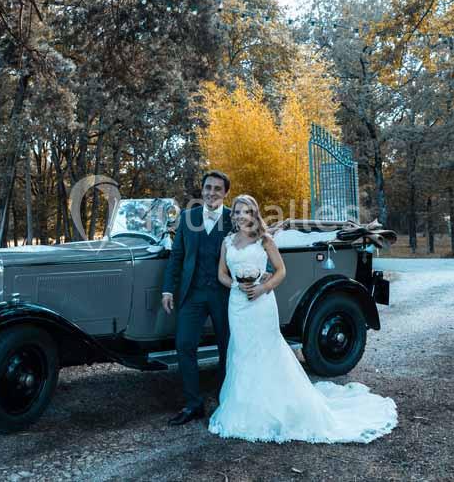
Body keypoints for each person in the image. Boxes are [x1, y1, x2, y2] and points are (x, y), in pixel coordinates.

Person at [208, 194, 398, 443]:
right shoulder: (227, 242)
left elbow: (280, 271)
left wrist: (263, 288)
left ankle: (274, 406)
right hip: (238, 303)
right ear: (232, 216)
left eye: (246, 211)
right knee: (241, 351)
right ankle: (244, 405)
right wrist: (235, 284)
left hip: (261, 303)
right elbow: (221, 273)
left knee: (266, 350)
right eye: (237, 212)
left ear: (254, 214)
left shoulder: (264, 240)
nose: (241, 216)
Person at [161, 170, 232, 426]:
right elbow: (177, 257)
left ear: (225, 193)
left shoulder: (234, 217)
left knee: (228, 347)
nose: (211, 192)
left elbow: (254, 243)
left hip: (224, 293)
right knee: (184, 345)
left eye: (217, 189)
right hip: (193, 292)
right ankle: (193, 404)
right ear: (202, 190)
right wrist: (168, 289)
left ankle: (227, 400)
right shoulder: (188, 217)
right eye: (208, 187)